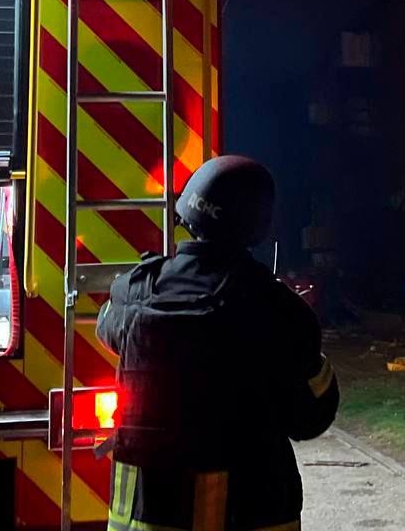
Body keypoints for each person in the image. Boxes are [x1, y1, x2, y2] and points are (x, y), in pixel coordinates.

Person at [95, 155, 339, 531]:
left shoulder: (135, 290)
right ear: (258, 225)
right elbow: (310, 418)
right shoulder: (277, 310)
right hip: (251, 515)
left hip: (145, 518)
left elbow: (106, 330)